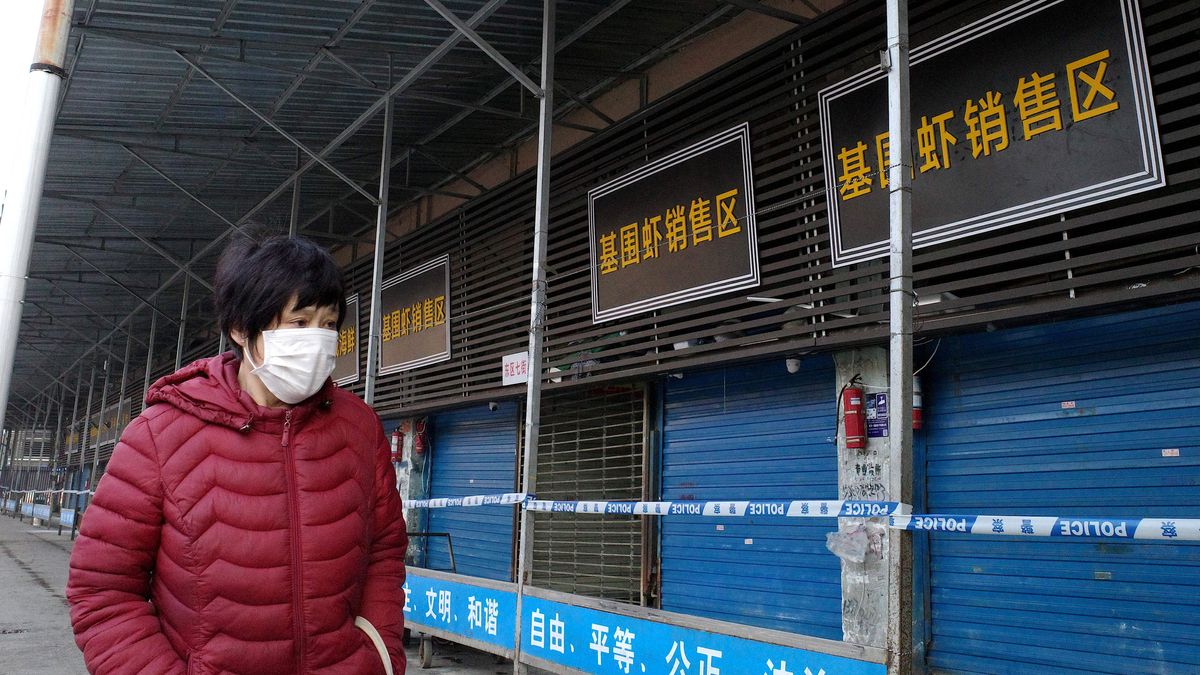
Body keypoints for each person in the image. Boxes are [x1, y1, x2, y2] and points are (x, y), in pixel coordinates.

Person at [67, 235, 407, 674]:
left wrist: (379, 658)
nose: (318, 340)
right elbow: (102, 591)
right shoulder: (160, 434)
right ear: (241, 330)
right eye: (299, 323)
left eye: (328, 323)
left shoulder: (359, 428)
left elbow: (384, 552)